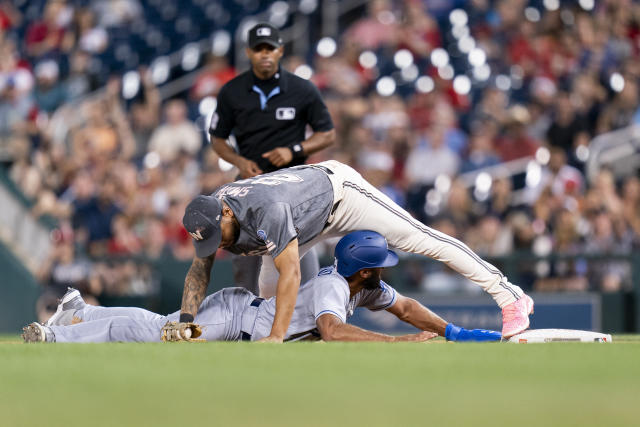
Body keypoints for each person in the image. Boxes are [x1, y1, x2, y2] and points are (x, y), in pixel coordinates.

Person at [178, 161, 534, 343]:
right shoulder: (211, 213)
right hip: (301, 217)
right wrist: (184, 322)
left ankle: (510, 296)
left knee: (420, 238)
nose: (218, 244)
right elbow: (199, 270)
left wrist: (274, 336)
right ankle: (291, 345)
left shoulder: (263, 210)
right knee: (268, 289)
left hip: (340, 196)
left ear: (226, 212)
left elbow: (293, 273)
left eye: (218, 236)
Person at [22, 231, 501, 343]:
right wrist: (401, 346)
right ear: (364, 271)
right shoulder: (337, 288)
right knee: (158, 335)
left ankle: (75, 311)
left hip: (240, 315)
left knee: (156, 325)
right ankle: (60, 333)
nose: (387, 274)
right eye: (381, 267)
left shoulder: (363, 287)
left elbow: (408, 307)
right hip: (232, 319)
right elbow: (332, 332)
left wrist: (452, 332)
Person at [209, 22, 335, 294]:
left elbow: (327, 134)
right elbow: (217, 138)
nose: (265, 54)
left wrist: (295, 150)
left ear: (280, 51)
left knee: (302, 253)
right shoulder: (232, 91)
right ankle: (249, 324)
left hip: (293, 186)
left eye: (270, 48)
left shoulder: (302, 89)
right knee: (246, 267)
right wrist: (240, 162)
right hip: (249, 185)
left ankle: (310, 323)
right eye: (258, 49)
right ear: (249, 53)